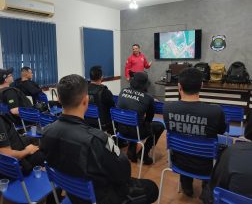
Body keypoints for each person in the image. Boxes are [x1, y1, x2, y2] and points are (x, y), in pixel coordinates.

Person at [41, 74, 159, 204]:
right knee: (152, 188)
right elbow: (123, 173)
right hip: (100, 197)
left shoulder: (46, 131)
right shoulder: (98, 138)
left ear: (58, 99)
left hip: (73, 193)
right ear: (85, 100)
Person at [163, 68, 226, 199]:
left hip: (178, 162)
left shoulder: (167, 108)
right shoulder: (215, 111)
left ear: (179, 86)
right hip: (208, 166)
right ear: (201, 85)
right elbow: (221, 131)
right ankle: (207, 188)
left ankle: (186, 186)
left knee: (185, 141)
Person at [117, 72, 164, 165]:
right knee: (159, 126)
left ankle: (131, 149)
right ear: (145, 84)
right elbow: (149, 120)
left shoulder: (123, 91)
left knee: (134, 121)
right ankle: (144, 154)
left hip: (120, 130)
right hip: (135, 132)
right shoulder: (148, 98)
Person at [87, 65, 115, 132]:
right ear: (101, 77)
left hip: (87, 122)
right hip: (102, 124)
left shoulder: (83, 90)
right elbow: (113, 108)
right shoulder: (105, 92)